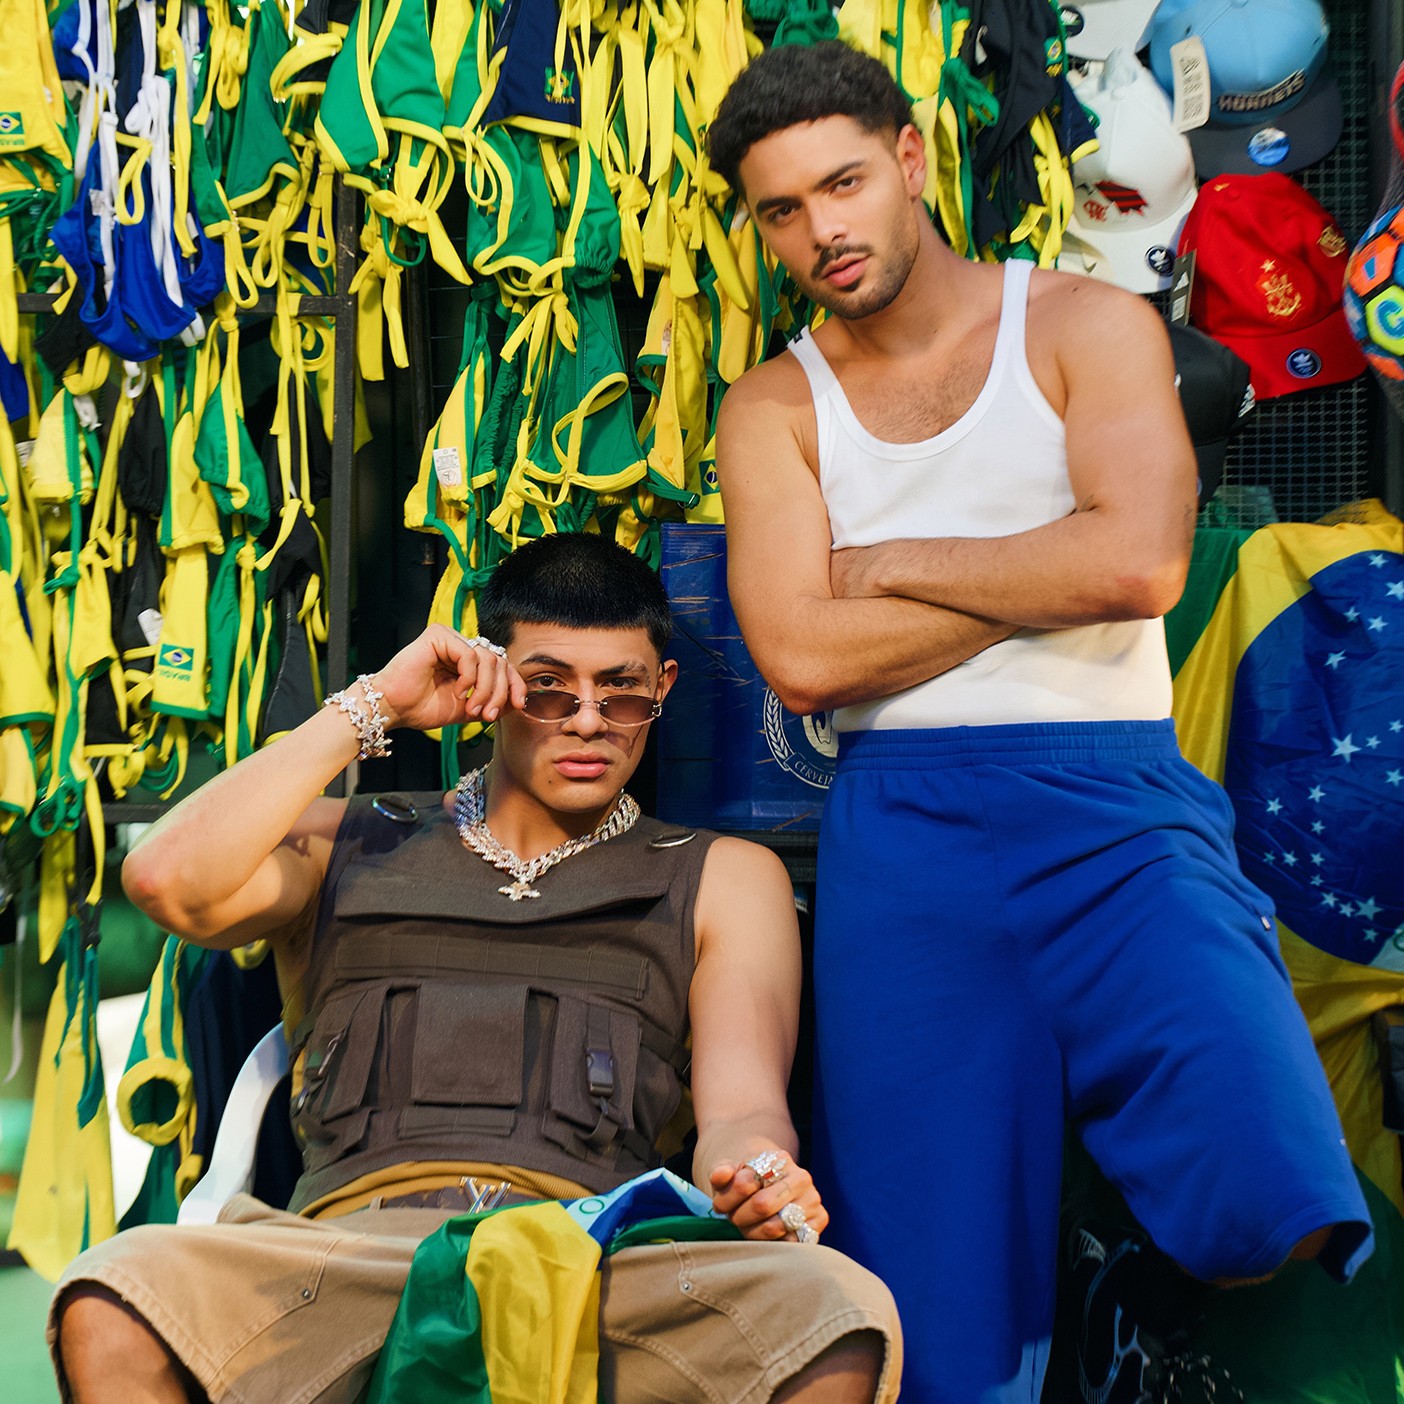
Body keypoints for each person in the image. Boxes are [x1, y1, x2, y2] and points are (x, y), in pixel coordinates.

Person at [708, 38, 1373, 1404]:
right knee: (934, 1326)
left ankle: (1127, 1297)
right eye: (782, 209)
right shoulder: (773, 404)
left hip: (1115, 805)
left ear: (910, 160)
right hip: (905, 840)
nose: (821, 230)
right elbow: (801, 659)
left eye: (843, 183)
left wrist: (884, 566)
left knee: (1275, 1179)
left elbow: (1140, 565)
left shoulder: (1084, 326)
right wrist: (1044, 569)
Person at [48, 532, 902, 1403]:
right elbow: (163, 879)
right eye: (548, 687)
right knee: (115, 1297)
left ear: (663, 689)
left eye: (621, 692)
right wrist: (376, 703)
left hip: (593, 1263)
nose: (587, 721)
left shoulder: (719, 874)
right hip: (343, 1262)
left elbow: (744, 1110)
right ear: (488, 683)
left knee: (833, 1312)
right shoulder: (349, 840)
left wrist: (758, 1172)